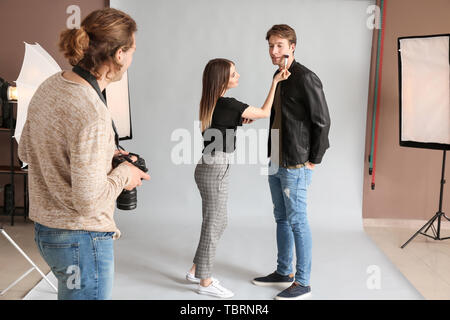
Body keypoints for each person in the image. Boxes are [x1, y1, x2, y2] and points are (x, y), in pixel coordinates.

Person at [18, 8, 150, 300]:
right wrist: (123, 173)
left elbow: (25, 149)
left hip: (47, 233)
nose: (132, 59)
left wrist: (105, 154)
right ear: (119, 55)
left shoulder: (50, 85)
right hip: (81, 240)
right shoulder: (93, 112)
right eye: (132, 51)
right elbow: (88, 202)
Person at [186, 58, 290, 298]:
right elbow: (264, 112)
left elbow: (222, 127)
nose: (238, 76)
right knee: (215, 223)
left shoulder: (212, 102)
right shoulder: (230, 104)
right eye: (233, 74)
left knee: (215, 222)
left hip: (207, 166)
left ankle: (195, 270)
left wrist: (238, 120)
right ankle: (205, 282)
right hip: (216, 167)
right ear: (222, 79)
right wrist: (275, 82)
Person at [252, 24, 331, 300]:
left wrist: (313, 161)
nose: (274, 51)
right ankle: (283, 271)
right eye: (271, 46)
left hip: (296, 161)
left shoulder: (306, 77)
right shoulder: (278, 75)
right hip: (275, 159)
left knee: (297, 221)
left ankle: (304, 282)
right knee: (281, 217)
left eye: (279, 46)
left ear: (292, 47)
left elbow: (322, 121)